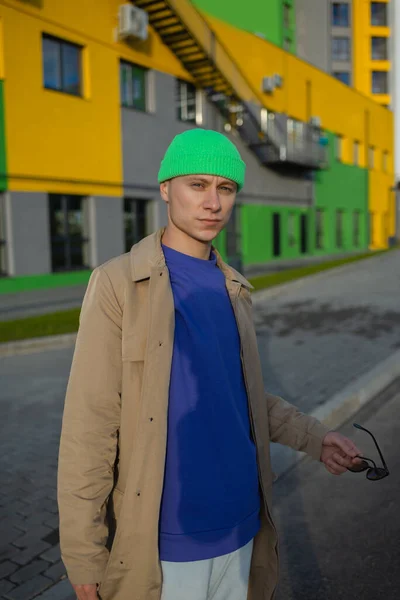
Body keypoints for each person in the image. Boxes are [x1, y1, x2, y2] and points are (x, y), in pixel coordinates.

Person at [58, 129, 363, 600]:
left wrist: (316, 438)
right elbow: (89, 426)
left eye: (225, 188)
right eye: (196, 184)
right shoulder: (119, 284)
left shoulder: (233, 288)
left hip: (243, 525)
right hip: (165, 544)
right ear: (165, 189)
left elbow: (238, 395)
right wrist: (84, 553)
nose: (212, 202)